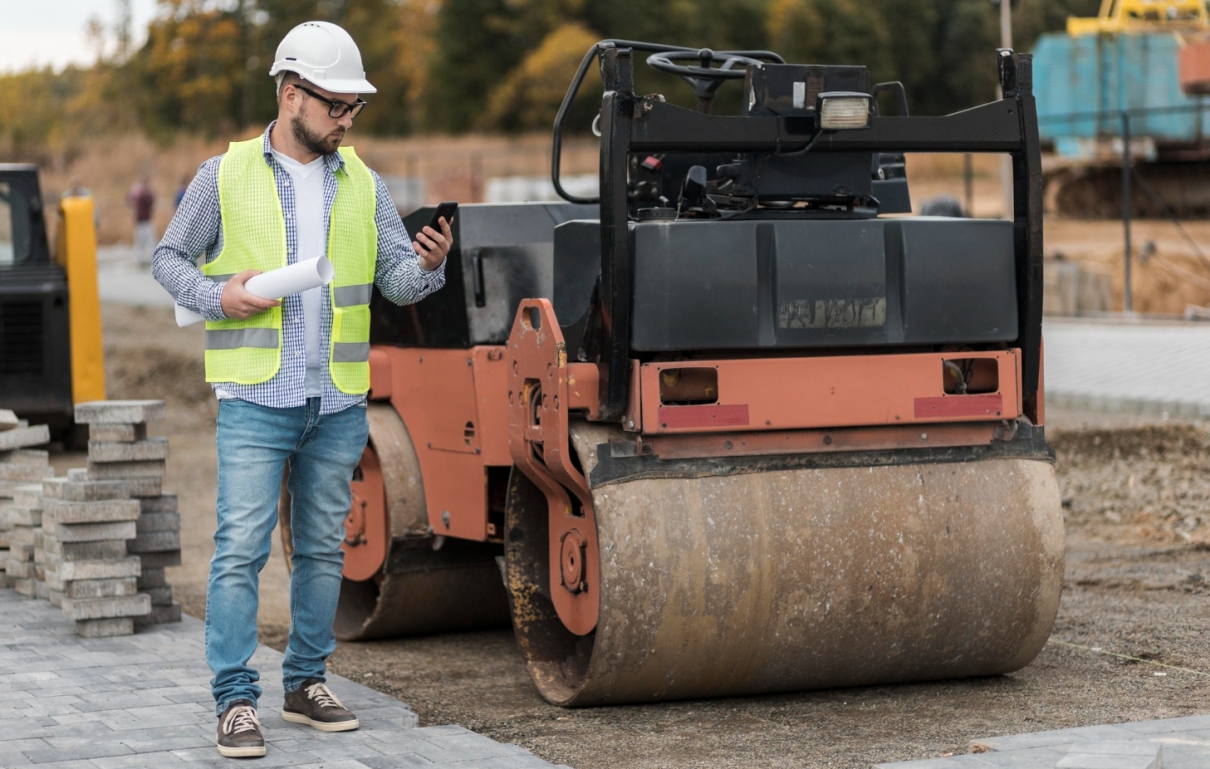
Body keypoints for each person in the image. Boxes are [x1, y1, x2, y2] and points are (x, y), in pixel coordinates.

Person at [151, 20, 454, 759]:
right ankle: (234, 700)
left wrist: (431, 264)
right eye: (337, 106)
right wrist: (222, 297)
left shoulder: (365, 185)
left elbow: (396, 282)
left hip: (337, 401)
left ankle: (305, 680)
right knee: (238, 551)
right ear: (292, 94)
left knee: (322, 549)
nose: (348, 121)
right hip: (255, 397)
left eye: (355, 109)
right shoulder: (223, 175)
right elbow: (167, 258)